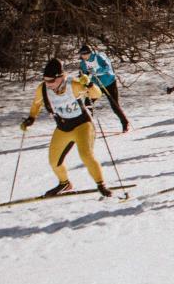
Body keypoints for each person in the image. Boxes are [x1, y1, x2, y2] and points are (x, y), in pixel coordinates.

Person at [21, 58, 111, 197]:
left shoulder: (74, 85)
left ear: (61, 77)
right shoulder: (43, 88)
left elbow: (97, 94)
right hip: (63, 128)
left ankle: (101, 185)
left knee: (86, 155)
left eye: (51, 81)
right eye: (45, 80)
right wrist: (31, 118)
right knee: (54, 162)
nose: (48, 84)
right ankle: (64, 183)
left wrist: (89, 84)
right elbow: (36, 103)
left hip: (83, 125)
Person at [76, 42, 128, 132]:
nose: (83, 56)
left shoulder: (98, 57)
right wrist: (83, 79)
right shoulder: (83, 63)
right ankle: (88, 126)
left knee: (114, 105)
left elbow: (107, 68)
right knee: (88, 104)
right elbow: (85, 74)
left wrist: (96, 70)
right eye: (82, 55)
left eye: (84, 54)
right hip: (96, 85)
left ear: (89, 53)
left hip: (109, 83)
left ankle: (125, 123)